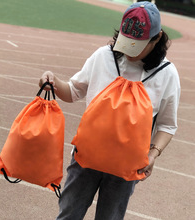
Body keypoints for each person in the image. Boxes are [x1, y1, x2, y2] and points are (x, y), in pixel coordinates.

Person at [39, 1, 180, 219]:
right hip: (86, 158)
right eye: (127, 42)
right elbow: (73, 92)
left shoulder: (167, 74)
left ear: (157, 38)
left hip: (125, 169)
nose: (130, 51)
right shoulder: (103, 57)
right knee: (69, 213)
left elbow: (167, 124)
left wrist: (153, 154)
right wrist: (53, 80)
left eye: (138, 45)